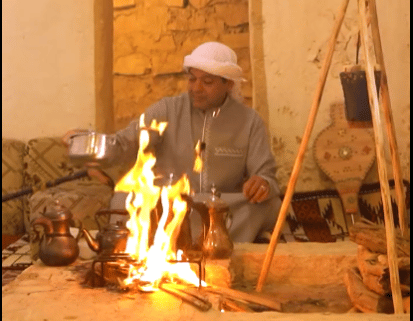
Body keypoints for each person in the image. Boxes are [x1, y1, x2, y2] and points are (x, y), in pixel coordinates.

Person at [63, 41, 282, 243]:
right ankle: (179, 245)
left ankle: (212, 244)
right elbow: (125, 143)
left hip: (219, 208)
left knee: (270, 205)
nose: (196, 88)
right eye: (192, 78)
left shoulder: (249, 121)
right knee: (124, 199)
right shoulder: (167, 110)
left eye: (207, 82)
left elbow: (266, 175)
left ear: (229, 84)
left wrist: (262, 183)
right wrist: (84, 142)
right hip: (169, 202)